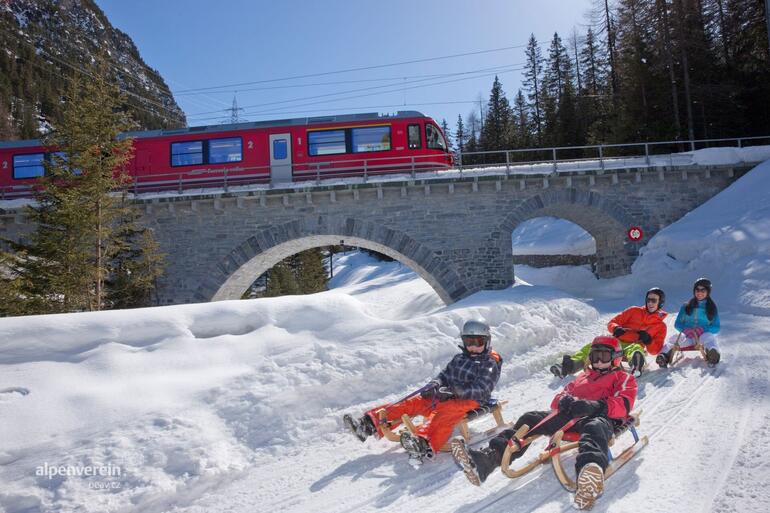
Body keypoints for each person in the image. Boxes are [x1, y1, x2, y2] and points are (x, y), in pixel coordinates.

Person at [452, 335, 637, 510]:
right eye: (594, 356)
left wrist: (594, 405)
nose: (597, 361)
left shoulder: (623, 378)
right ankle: (487, 459)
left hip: (599, 418)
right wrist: (563, 400)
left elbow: (624, 404)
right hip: (568, 417)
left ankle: (589, 474)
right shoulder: (583, 376)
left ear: (616, 358)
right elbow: (560, 397)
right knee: (530, 418)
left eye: (603, 356)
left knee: (593, 428)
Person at [344, 320, 502, 462]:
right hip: (448, 394)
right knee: (414, 402)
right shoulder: (459, 358)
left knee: (445, 413)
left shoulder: (489, 363)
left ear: (487, 341)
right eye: (469, 341)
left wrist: (454, 391)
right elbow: (444, 375)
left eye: (478, 342)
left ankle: (423, 443)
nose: (473, 347)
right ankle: (368, 425)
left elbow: (482, 388)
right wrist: (435, 384)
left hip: (471, 400)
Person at [550, 287, 667, 377]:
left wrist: (648, 339)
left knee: (636, 348)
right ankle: (568, 366)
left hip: (632, 346)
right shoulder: (634, 310)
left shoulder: (660, 326)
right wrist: (616, 328)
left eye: (654, 300)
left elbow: (655, 350)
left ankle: (636, 365)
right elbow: (612, 322)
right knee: (593, 347)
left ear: (660, 303)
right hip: (616, 342)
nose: (650, 303)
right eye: (648, 300)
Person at [657, 278, 721, 367]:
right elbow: (678, 323)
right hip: (688, 337)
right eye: (697, 290)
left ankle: (712, 354)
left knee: (709, 337)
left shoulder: (711, 308)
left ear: (708, 292)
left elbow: (716, 327)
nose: (699, 292)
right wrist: (686, 330)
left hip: (702, 336)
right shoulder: (686, 306)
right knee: (675, 338)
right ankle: (664, 356)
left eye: (703, 290)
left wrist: (703, 329)